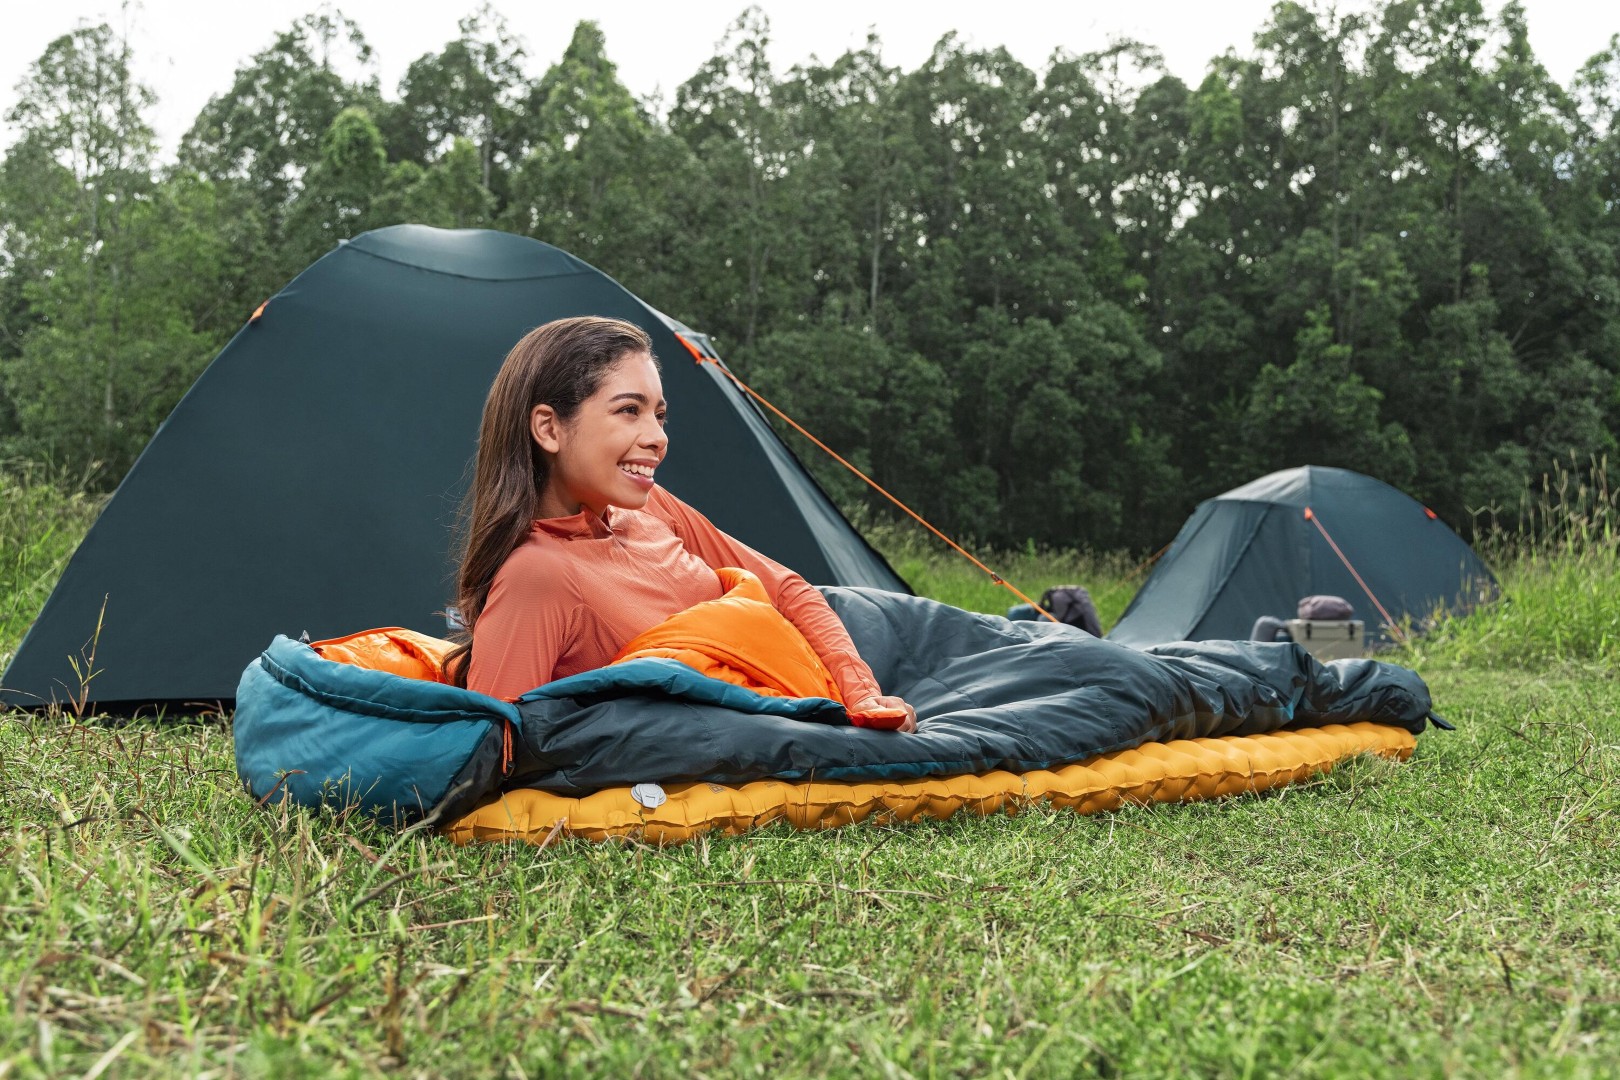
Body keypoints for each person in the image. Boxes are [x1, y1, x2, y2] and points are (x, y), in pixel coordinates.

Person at [443, 316, 918, 732]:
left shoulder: (651, 507)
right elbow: (495, 749)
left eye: (659, 415)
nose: (658, 438)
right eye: (629, 411)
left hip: (822, 679)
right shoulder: (537, 575)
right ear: (549, 428)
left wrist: (862, 696)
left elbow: (789, 591)